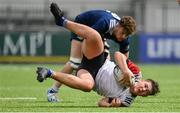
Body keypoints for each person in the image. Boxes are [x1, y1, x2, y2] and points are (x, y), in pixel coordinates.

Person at [36, 3, 160, 107]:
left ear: (143, 96)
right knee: (79, 55)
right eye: (145, 86)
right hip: (86, 32)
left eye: (145, 92)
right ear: (143, 80)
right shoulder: (136, 73)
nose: (143, 89)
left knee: (86, 84)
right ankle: (62, 21)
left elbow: (101, 103)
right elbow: (118, 55)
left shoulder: (127, 101)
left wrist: (110, 105)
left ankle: (48, 73)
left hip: (91, 74)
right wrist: (125, 70)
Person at [47, 3, 136, 102]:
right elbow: (89, 36)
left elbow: (124, 58)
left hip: (97, 33)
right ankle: (52, 91)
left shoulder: (124, 38)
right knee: (74, 62)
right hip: (82, 25)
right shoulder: (105, 22)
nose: (123, 37)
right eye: (123, 33)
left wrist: (125, 72)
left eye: (127, 35)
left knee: (103, 58)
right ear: (118, 25)